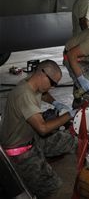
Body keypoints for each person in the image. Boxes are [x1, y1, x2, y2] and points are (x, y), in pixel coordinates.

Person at [0, 60, 77, 198]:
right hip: (19, 152)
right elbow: (42, 128)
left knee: (69, 140)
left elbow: (43, 94)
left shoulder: (30, 83)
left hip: (31, 137)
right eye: (52, 83)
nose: (53, 87)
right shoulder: (24, 94)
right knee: (52, 187)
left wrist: (55, 102)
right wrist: (68, 116)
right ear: (42, 74)